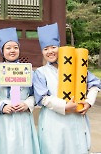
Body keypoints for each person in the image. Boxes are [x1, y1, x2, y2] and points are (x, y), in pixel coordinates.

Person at [33, 23, 101, 154]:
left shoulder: (76, 66)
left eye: (53, 47)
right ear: (42, 51)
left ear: (60, 48)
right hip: (53, 120)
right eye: (46, 49)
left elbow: (95, 84)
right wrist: (64, 106)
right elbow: (43, 98)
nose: (50, 51)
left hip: (75, 117)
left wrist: (88, 102)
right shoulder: (40, 72)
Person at [0, 27, 40, 154]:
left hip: (23, 117)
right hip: (4, 118)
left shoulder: (28, 71)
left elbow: (34, 95)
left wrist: (27, 104)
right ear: (2, 50)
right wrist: (1, 106)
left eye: (15, 47)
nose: (12, 51)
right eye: (8, 48)